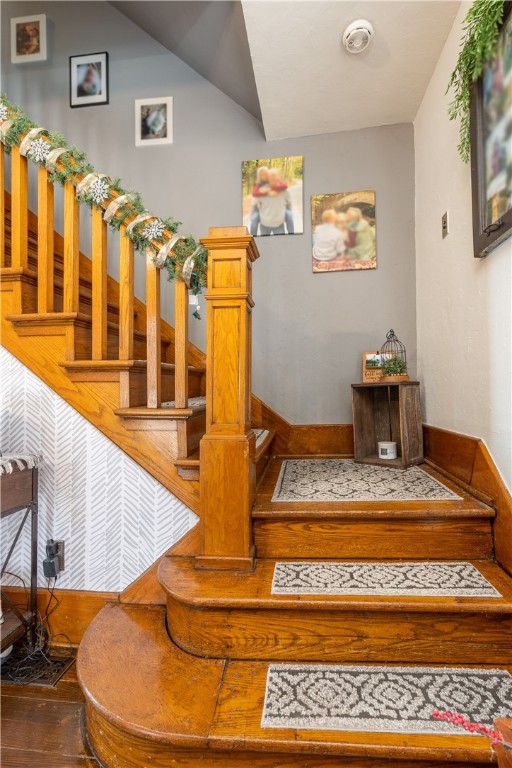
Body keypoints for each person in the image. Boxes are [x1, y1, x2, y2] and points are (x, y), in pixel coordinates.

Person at [255, 168, 293, 236]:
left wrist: (286, 216)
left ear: (278, 177)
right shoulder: (262, 190)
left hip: (279, 225)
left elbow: (289, 204)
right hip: (264, 225)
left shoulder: (284, 191)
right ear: (268, 178)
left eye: (275, 175)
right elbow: (256, 204)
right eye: (271, 176)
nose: (273, 178)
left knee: (281, 243)